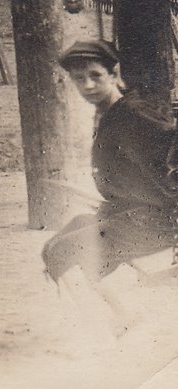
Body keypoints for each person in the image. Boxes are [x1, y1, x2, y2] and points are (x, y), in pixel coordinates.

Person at [42, 40, 177, 296]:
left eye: (95, 75)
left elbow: (172, 154)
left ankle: (117, 318)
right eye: (79, 78)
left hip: (158, 222)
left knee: (65, 251)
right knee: (52, 247)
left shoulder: (133, 116)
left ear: (114, 74)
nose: (88, 85)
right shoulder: (111, 113)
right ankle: (115, 313)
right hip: (127, 214)